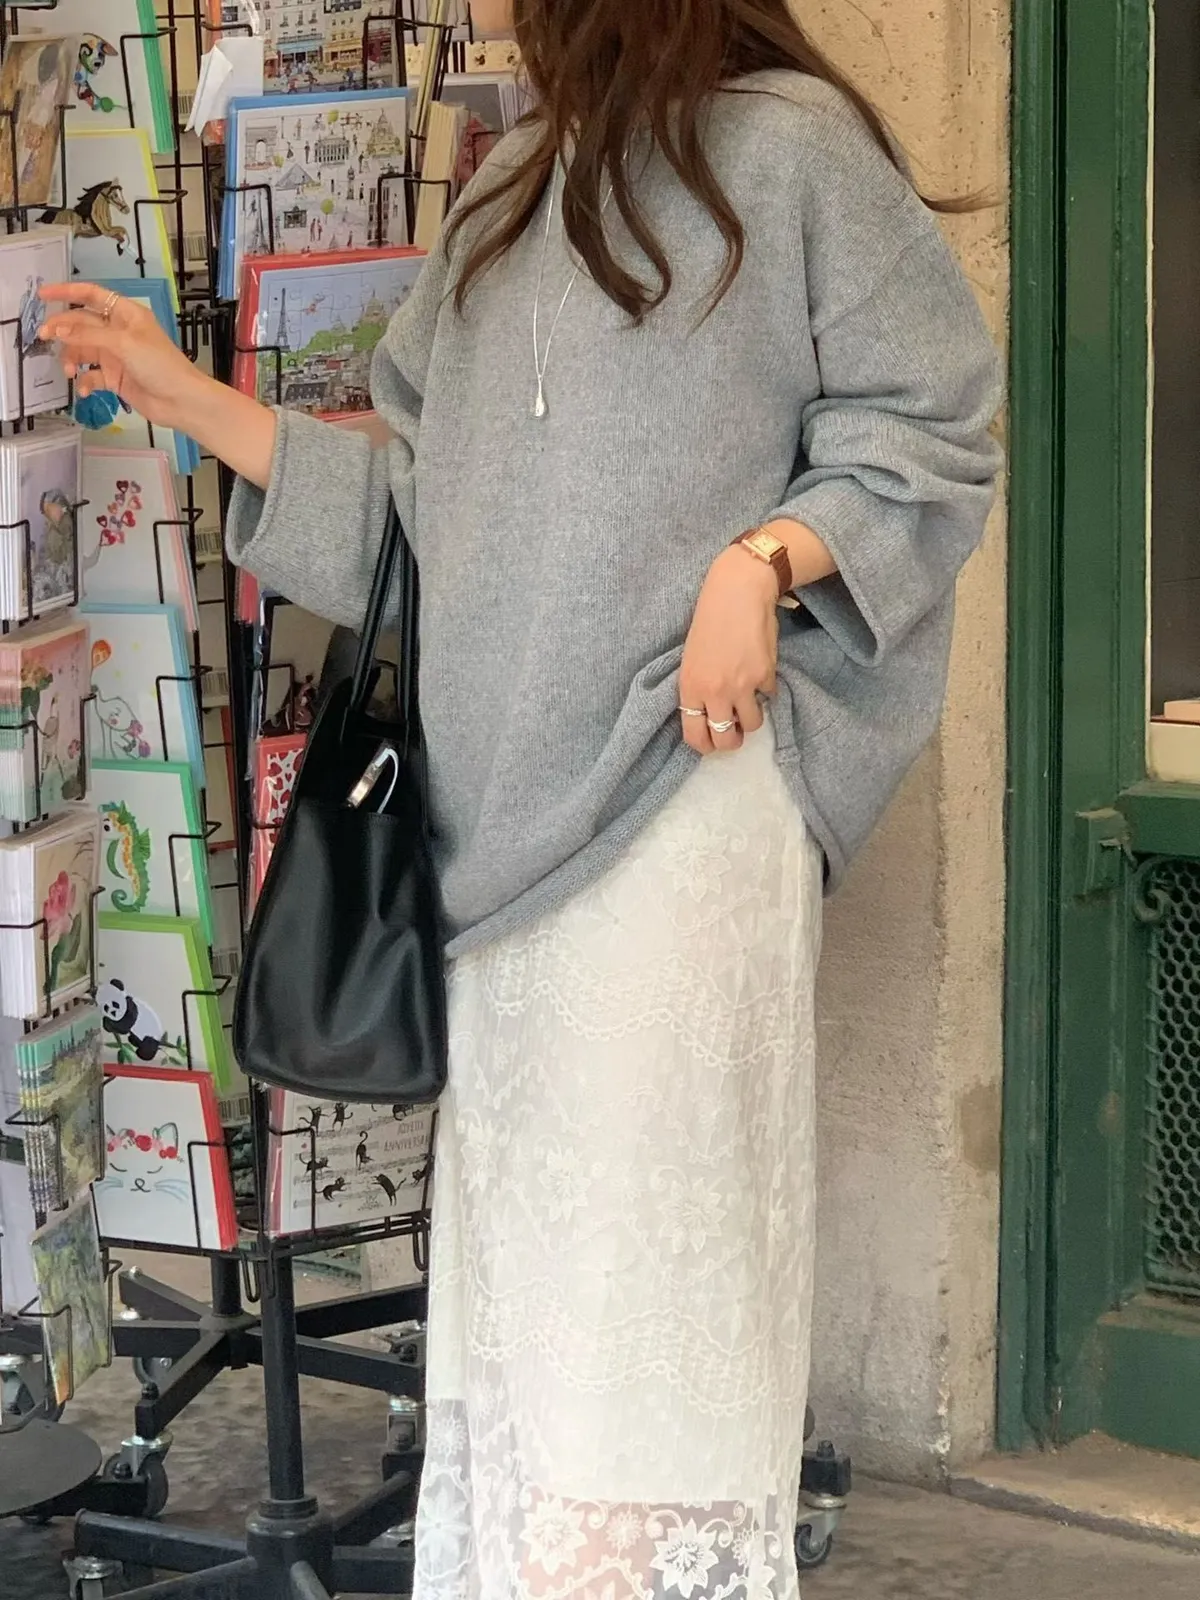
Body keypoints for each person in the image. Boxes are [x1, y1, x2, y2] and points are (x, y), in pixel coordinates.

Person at [41, 2, 1002, 1596]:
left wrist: (761, 564)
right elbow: (421, 525)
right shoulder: (504, 194)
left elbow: (933, 430)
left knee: (651, 1301)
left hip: (686, 810)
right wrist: (182, 394)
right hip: (495, 849)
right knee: (546, 1309)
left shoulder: (795, 156)